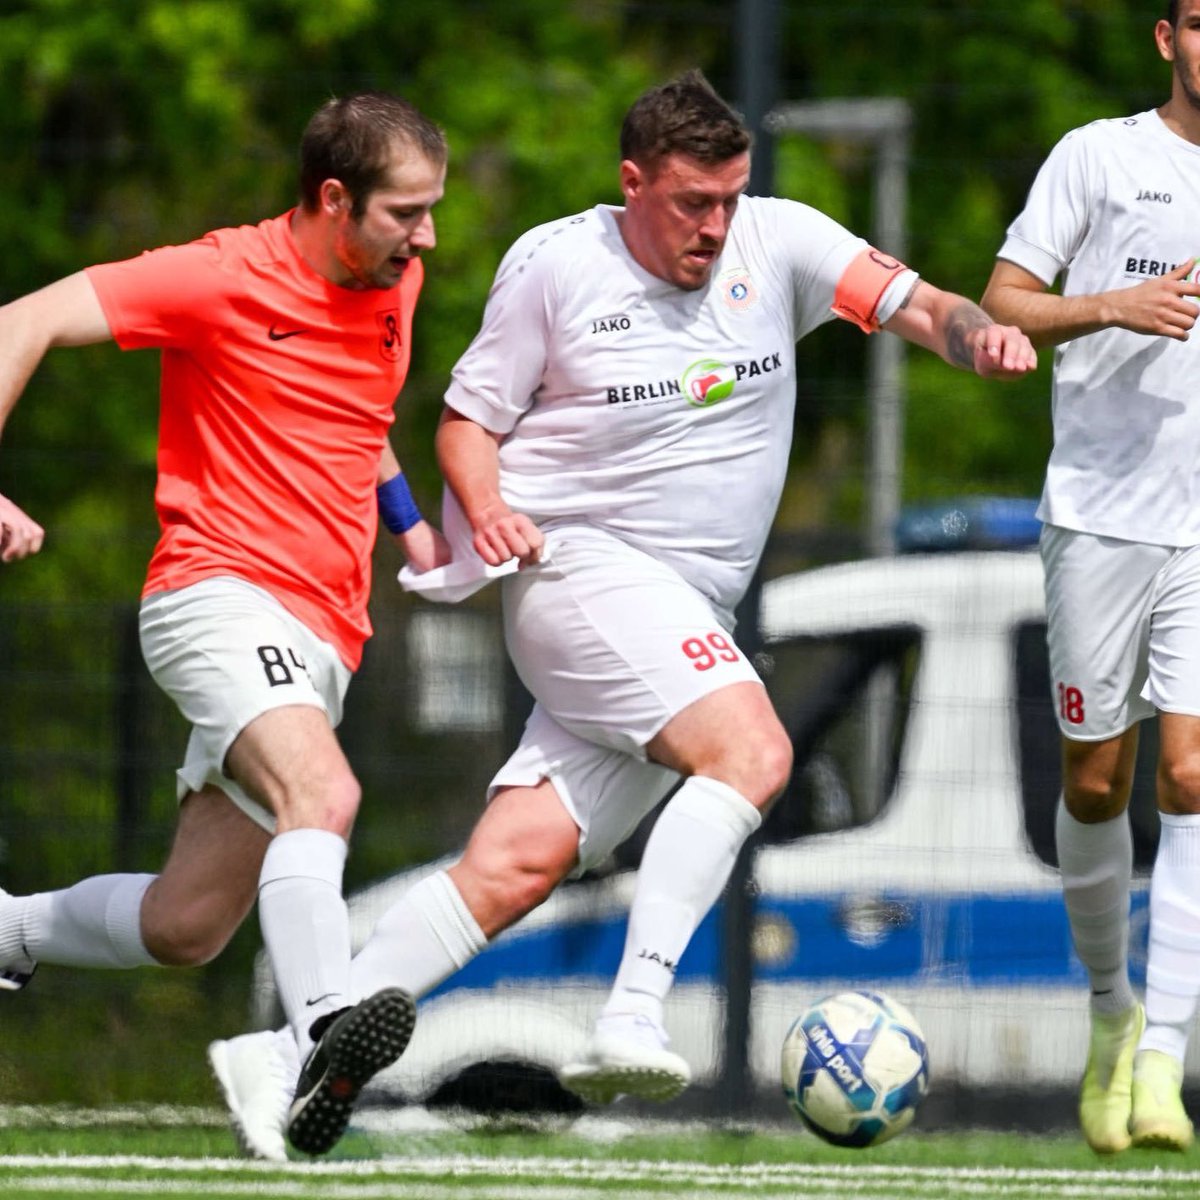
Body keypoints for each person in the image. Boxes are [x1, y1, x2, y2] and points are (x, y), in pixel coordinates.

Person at [208, 68, 1036, 1161]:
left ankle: (278, 1056)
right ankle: (632, 1012)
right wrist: (490, 509)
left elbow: (922, 303)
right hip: (576, 575)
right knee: (750, 749)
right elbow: (465, 424)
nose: (716, 226)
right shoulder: (556, 264)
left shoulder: (778, 242)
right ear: (632, 182)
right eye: (693, 202)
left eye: (731, 199)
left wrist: (974, 336)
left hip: (679, 614)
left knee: (515, 863)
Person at [0, 91, 451, 1158]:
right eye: (406, 212)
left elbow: (359, 417)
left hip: (323, 636)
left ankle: (9, 928)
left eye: (432, 211)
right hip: (215, 593)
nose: (426, 235)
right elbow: (21, 319)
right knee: (325, 792)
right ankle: (315, 1038)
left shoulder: (396, 280)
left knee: (187, 924)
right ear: (333, 199)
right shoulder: (216, 275)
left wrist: (411, 527)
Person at [980, 1, 1200, 1156]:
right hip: (1102, 518)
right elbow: (1005, 296)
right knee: (1098, 782)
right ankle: (1112, 1011)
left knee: (1195, 772)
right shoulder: (1100, 156)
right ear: (1167, 37)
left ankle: (1166, 1051)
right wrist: (1116, 302)